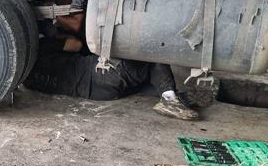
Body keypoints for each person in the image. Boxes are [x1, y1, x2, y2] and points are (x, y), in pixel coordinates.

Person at [24, 13, 199, 121]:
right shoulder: (42, 46)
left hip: (100, 94)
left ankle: (171, 94)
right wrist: (55, 34)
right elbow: (76, 44)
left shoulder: (27, 79)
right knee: (152, 53)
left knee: (140, 73)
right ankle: (169, 99)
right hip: (104, 74)